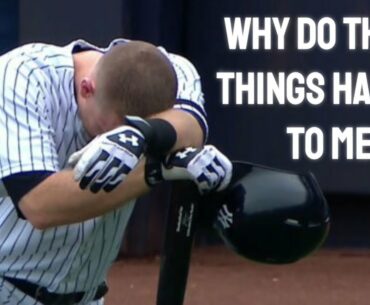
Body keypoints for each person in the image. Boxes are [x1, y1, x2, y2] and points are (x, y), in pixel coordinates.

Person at [0, 38, 232, 305]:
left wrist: (138, 136)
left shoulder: (170, 69)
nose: (111, 143)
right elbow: (39, 205)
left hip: (87, 296)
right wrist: (153, 169)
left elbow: (191, 126)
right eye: (104, 131)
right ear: (87, 89)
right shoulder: (22, 76)